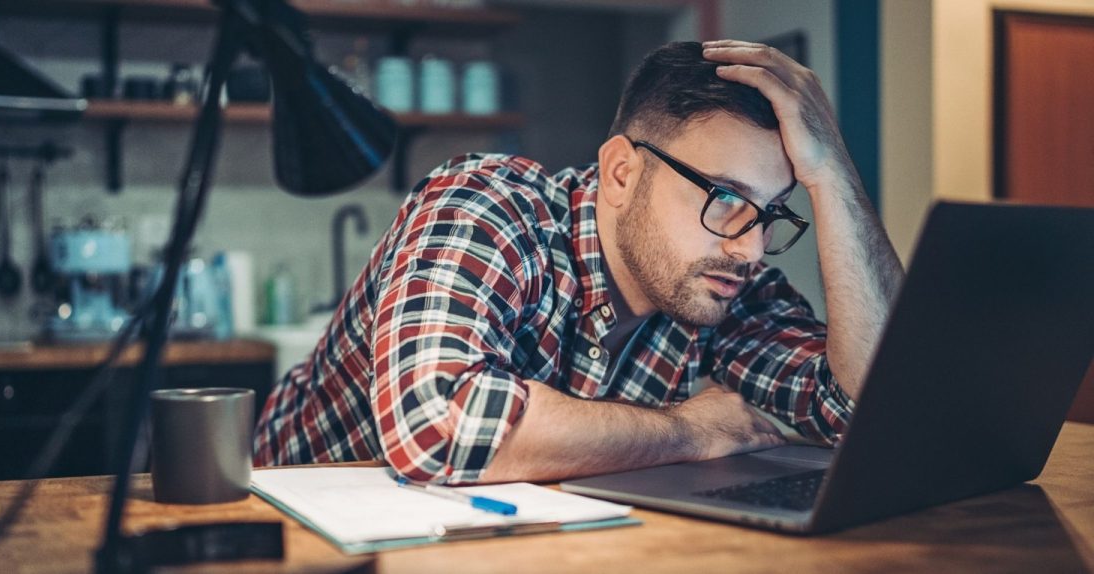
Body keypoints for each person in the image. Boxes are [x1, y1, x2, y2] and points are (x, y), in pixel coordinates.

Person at [253, 40, 905, 484]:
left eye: (772, 212)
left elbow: (872, 411)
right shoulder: (491, 204)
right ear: (620, 172)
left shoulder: (726, 281)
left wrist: (835, 176)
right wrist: (686, 432)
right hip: (289, 531)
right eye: (727, 197)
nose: (751, 247)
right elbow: (439, 423)